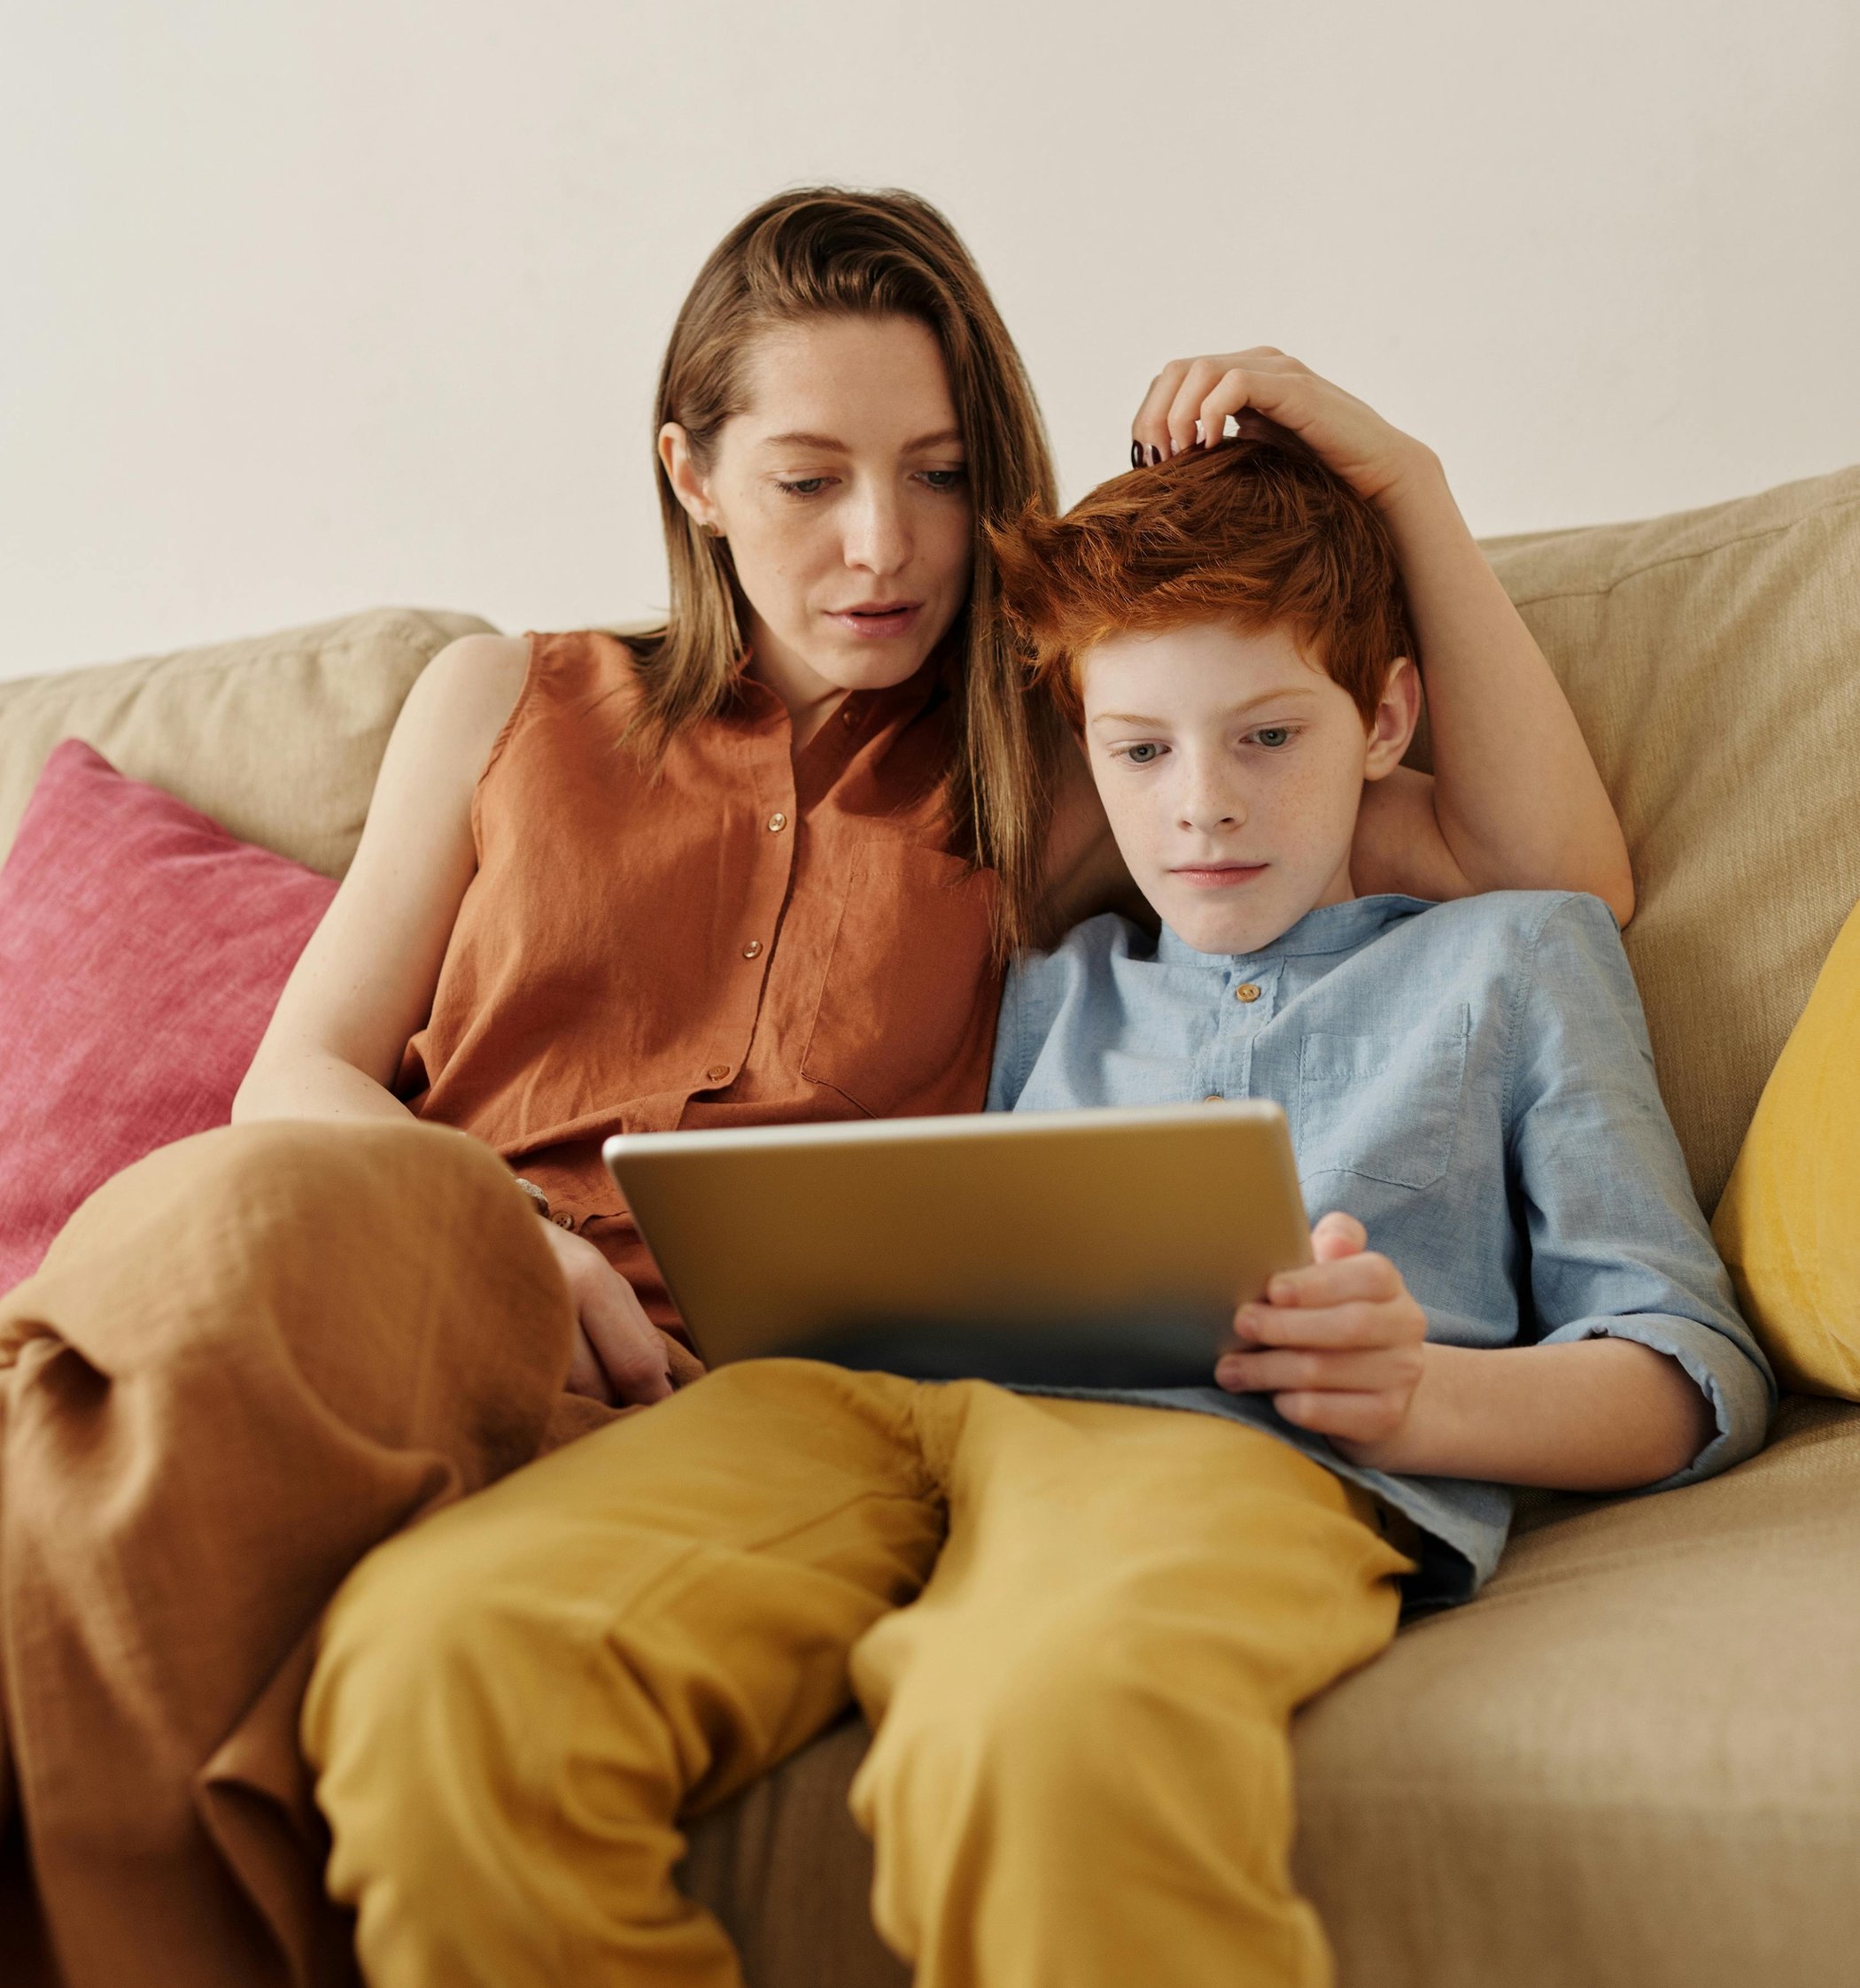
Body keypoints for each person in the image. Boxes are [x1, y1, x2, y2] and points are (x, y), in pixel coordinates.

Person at [0, 190, 1631, 1988]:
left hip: (723, 1401)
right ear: (690, 473)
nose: (883, 544)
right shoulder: (498, 699)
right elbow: (297, 1076)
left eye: (939, 475)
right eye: (807, 478)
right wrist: (513, 1232)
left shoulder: (1062, 769)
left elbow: (1534, 864)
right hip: (423, 1261)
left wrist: (1400, 480)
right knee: (219, 1239)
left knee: (172, 1529)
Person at [300, 433, 1771, 1987]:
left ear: (1388, 718)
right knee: (438, 1652)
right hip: (866, 1403)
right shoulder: (1056, 973)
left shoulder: (1514, 955)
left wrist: (1427, 1395)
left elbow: (1689, 1360)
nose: (1202, 807)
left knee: (1032, 1723)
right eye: (1141, 753)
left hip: (1223, 1443)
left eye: (1269, 736)